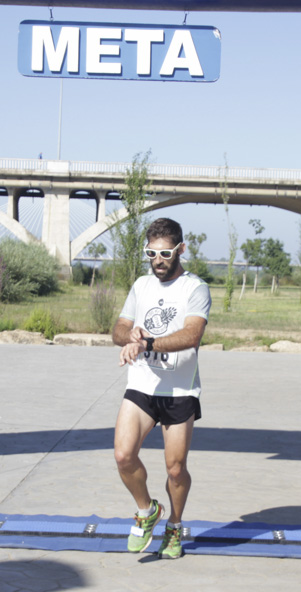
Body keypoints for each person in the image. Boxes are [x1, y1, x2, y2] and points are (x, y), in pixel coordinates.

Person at [113, 217, 210, 559]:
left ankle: (174, 525)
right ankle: (146, 510)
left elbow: (191, 335)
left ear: (181, 249)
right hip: (141, 385)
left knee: (175, 468)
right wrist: (131, 337)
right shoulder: (141, 286)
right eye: (151, 253)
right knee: (124, 456)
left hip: (179, 391)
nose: (158, 260)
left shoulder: (195, 288)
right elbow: (119, 329)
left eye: (165, 253)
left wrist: (147, 342)